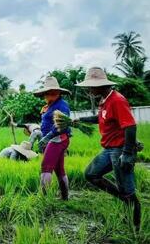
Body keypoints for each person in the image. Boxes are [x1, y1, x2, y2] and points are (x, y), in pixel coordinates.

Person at [56, 67, 141, 230]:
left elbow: (130, 126)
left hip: (119, 150)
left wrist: (127, 153)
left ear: (101, 85)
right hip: (109, 149)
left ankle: (135, 229)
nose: (88, 90)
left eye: (91, 86)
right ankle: (121, 197)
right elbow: (100, 118)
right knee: (91, 174)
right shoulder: (105, 100)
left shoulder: (117, 100)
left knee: (128, 192)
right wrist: (81, 120)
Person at [34, 76, 71, 200]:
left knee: (46, 166)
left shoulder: (62, 105)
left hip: (57, 139)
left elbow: (60, 126)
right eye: (45, 93)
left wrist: (46, 138)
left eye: (47, 93)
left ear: (55, 93)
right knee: (59, 169)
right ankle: (65, 197)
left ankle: (43, 198)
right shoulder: (50, 105)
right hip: (53, 139)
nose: (45, 96)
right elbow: (47, 123)